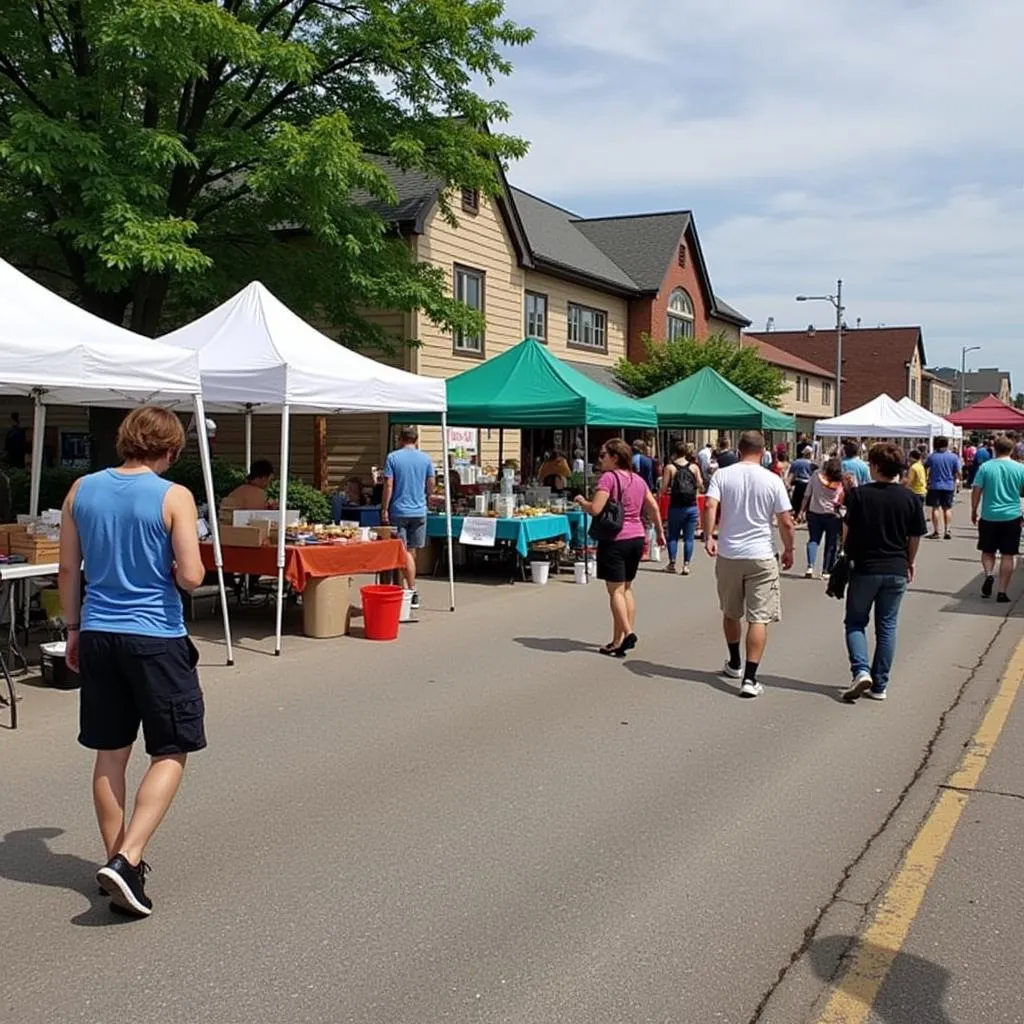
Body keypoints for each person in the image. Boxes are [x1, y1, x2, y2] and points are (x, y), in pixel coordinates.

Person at [57, 406, 207, 917]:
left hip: (98, 630)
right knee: (172, 747)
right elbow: (191, 575)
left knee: (110, 751)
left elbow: (67, 571)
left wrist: (73, 629)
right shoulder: (173, 496)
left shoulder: (81, 490)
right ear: (169, 449)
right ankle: (128, 858)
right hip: (154, 636)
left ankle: (118, 865)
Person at [703, 430, 795, 698]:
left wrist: (709, 535)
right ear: (763, 450)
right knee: (759, 616)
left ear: (739, 449)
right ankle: (750, 678)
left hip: (730, 553)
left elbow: (710, 505)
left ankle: (734, 662)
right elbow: (786, 521)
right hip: (761, 553)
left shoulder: (722, 474)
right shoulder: (772, 479)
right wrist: (789, 548)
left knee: (731, 611)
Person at [841, 443, 927, 702]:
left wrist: (847, 555)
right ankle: (880, 684)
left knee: (856, 622)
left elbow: (846, 532)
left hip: (865, 567)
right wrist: (909, 562)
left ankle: (861, 670)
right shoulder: (910, 498)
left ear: (876, 467)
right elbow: (914, 537)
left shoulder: (859, 496)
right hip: (896, 567)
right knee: (887, 626)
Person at [575, 438, 665, 657]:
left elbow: (596, 509)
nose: (600, 459)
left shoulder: (608, 478)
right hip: (636, 537)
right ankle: (618, 640)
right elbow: (652, 507)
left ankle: (628, 632)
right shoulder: (638, 479)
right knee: (626, 588)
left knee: (614, 590)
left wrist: (581, 501)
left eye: (603, 455)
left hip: (615, 539)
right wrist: (660, 532)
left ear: (614, 458)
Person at [382, 426, 435, 609]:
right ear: (416, 439)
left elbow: (389, 485)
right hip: (419, 510)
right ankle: (405, 588)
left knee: (402, 551)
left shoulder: (393, 457)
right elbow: (431, 483)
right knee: (412, 551)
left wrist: (384, 508)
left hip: (399, 509)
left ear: (400, 439)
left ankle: (410, 589)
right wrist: (427, 497)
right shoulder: (426, 458)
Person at [971, 435, 1024, 603]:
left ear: (994, 449)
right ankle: (1002, 591)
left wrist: (974, 509)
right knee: (1009, 554)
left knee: (988, 551)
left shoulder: (985, 467)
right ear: (1012, 450)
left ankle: (988, 574)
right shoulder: (1020, 468)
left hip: (989, 515)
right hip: (1012, 515)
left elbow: (976, 490)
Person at [661, 442, 704, 576]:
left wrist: (663, 492)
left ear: (674, 452)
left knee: (673, 536)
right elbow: (700, 484)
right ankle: (686, 565)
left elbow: (663, 487)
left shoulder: (670, 467)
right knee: (689, 538)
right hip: (691, 506)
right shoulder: (694, 467)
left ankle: (672, 563)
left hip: (676, 506)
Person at [801, 458, 845, 579]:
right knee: (831, 543)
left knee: (813, 540)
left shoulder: (816, 475)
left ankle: (810, 566)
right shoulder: (839, 480)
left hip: (814, 512)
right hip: (832, 515)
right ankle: (826, 570)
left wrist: (802, 510)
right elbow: (842, 498)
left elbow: (807, 494)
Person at [924, 436, 962, 540]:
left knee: (935, 508)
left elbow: (925, 467)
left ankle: (936, 531)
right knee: (947, 508)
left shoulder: (932, 457)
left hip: (935, 485)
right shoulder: (954, 457)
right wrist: (959, 481)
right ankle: (947, 529)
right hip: (949, 485)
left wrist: (927, 478)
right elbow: (958, 472)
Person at [786, 446, 817, 520]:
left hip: (799, 483)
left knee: (796, 502)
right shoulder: (813, 464)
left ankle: (796, 516)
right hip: (809, 484)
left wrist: (788, 485)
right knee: (807, 501)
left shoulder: (796, 462)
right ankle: (804, 515)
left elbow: (791, 476)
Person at [904, 448, 927, 512]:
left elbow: (910, 480)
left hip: (915, 491)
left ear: (912, 457)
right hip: (922, 490)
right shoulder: (920, 466)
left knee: (914, 510)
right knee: (920, 509)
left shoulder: (913, 467)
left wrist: (904, 489)